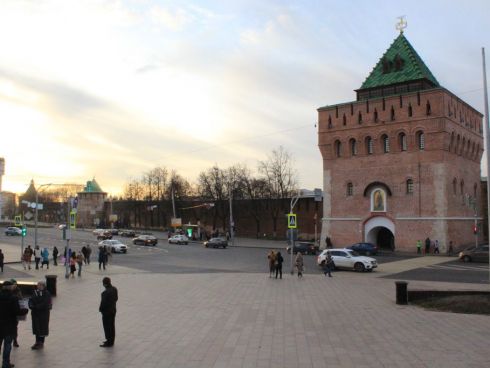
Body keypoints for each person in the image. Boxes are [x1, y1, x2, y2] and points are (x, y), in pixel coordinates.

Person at [0, 280, 28, 368]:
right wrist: (25, 310)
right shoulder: (13, 298)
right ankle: (5, 363)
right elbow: (17, 311)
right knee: (7, 345)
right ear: (10, 288)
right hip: (9, 325)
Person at [28, 281, 51, 350]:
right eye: (38, 285)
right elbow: (31, 300)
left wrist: (37, 306)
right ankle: (37, 341)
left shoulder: (46, 293)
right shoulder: (35, 292)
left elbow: (45, 303)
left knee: (42, 328)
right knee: (36, 328)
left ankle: (41, 342)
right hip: (35, 314)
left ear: (43, 286)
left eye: (40, 285)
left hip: (43, 314)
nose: (38, 286)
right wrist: (31, 305)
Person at [99, 277, 118, 347]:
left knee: (107, 327)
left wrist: (100, 310)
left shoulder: (105, 293)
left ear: (105, 284)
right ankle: (112, 340)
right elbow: (116, 299)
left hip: (106, 313)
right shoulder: (115, 289)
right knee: (112, 326)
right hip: (113, 310)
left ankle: (108, 341)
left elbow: (103, 304)